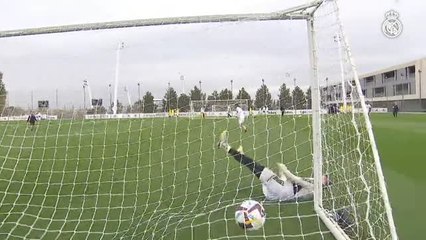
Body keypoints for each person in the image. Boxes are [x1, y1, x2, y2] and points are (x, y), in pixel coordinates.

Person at [217, 130, 330, 202]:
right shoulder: (313, 183)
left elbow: (294, 179)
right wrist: (281, 174)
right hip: (282, 188)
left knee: (253, 165)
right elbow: (292, 181)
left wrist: (283, 168)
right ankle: (233, 151)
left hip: (281, 191)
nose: (323, 176)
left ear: (323, 184)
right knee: (253, 165)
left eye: (325, 179)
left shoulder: (313, 187)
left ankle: (228, 147)